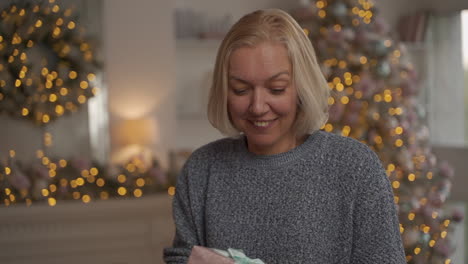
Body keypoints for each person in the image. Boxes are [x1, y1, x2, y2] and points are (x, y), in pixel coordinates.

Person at [164, 8, 406, 264]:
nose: (257, 106)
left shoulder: (355, 167)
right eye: (241, 89)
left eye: (276, 89)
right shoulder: (202, 170)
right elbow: (182, 256)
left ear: (302, 88)